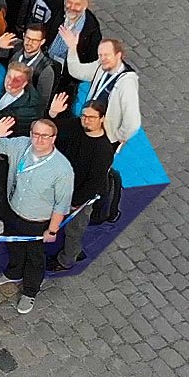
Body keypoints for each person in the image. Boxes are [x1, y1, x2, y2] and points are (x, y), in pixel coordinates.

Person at [0, 114, 73, 315]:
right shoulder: (20, 145)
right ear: (30, 134)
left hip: (37, 222)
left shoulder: (62, 169)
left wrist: (52, 229)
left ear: (53, 138)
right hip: (13, 211)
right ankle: (13, 272)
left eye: (45, 136)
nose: (39, 139)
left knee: (35, 258)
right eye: (36, 134)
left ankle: (30, 292)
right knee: (13, 245)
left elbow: (61, 204)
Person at [52, 98, 113, 272]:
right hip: (65, 186)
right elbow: (53, 127)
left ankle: (67, 260)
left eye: (91, 117)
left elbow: (94, 183)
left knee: (75, 228)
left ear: (101, 119)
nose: (86, 120)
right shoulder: (77, 126)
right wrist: (53, 113)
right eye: (84, 116)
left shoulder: (103, 150)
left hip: (81, 198)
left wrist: (75, 202)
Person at [60, 35, 142, 143]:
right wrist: (72, 48)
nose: (102, 58)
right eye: (100, 55)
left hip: (103, 136)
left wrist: (115, 137)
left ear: (118, 55)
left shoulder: (127, 83)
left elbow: (133, 121)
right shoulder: (101, 66)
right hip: (88, 124)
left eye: (107, 55)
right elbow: (77, 71)